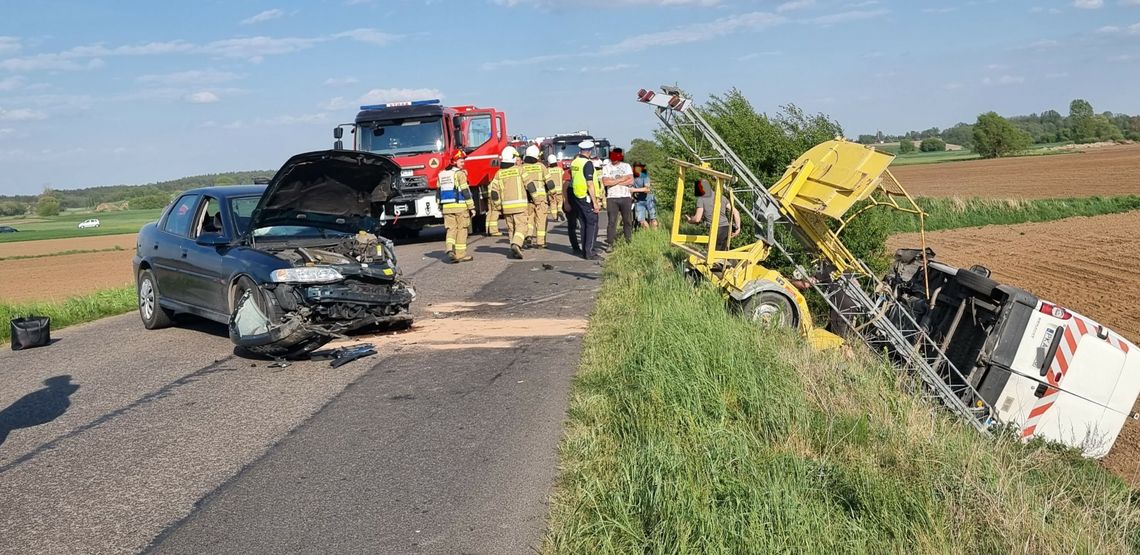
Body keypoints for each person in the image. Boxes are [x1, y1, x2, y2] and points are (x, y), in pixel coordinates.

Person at [488, 147, 529, 259]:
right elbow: (529, 185)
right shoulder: (520, 170)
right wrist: (535, 198)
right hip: (520, 206)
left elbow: (494, 192)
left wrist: (497, 206)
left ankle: (514, 250)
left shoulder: (499, 174)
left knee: (511, 228)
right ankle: (516, 244)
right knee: (522, 227)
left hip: (506, 207)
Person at [438, 150, 476, 262]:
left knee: (451, 230)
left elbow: (438, 192)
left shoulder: (441, 174)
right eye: (461, 161)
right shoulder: (460, 174)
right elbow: (465, 191)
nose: (463, 163)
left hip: (446, 208)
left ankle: (449, 249)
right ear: (455, 161)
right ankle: (460, 255)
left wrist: (440, 207)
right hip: (460, 207)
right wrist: (471, 207)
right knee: (462, 230)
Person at [567, 140, 601, 260]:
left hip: (577, 196)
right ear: (590, 151)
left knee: (584, 224)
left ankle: (585, 251)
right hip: (586, 196)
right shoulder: (587, 163)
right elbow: (590, 183)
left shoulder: (575, 162)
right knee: (591, 223)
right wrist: (595, 202)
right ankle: (589, 252)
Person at [686, 178, 740, 251]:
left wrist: (690, 220)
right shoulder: (722, 197)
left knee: (712, 256)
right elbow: (735, 212)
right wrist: (738, 228)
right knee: (721, 254)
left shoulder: (702, 199)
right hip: (726, 228)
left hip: (716, 230)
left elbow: (697, 219)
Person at [602, 147, 635, 246]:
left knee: (627, 221)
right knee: (612, 221)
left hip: (625, 196)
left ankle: (628, 241)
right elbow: (605, 182)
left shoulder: (626, 166)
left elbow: (631, 180)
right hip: (612, 197)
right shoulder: (607, 167)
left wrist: (614, 182)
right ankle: (610, 243)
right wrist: (621, 179)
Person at [485, 146, 518, 238]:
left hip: (491, 195)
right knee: (495, 213)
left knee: (490, 212)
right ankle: (493, 230)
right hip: (496, 196)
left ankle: (488, 229)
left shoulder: (497, 173)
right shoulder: (500, 172)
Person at [521, 145, 549, 248]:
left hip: (527, 199)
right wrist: (553, 193)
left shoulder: (522, 168)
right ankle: (540, 242)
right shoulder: (541, 166)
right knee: (541, 220)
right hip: (541, 199)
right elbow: (549, 183)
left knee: (529, 219)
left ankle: (528, 236)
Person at [630, 163, 657, 229]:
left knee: (652, 218)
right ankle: (647, 234)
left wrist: (634, 190)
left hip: (649, 199)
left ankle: (655, 235)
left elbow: (647, 189)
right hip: (639, 200)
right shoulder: (632, 178)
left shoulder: (645, 176)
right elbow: (631, 188)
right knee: (641, 220)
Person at [545, 154, 565, 222]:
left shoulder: (547, 170)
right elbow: (563, 178)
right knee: (560, 201)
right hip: (560, 190)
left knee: (552, 203)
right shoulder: (560, 170)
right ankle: (559, 210)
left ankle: (555, 218)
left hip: (551, 190)